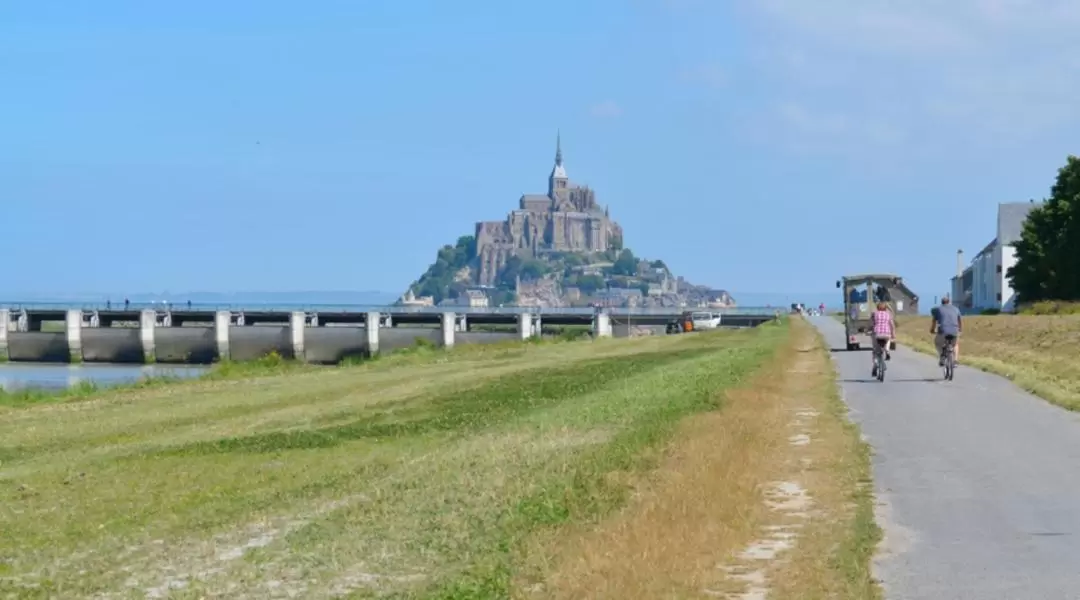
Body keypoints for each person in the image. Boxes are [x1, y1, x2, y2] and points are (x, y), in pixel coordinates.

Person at [930, 295, 962, 366]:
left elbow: (934, 321)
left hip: (943, 331)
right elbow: (959, 320)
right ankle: (955, 360)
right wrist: (960, 330)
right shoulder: (956, 309)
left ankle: (942, 357)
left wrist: (932, 330)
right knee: (955, 344)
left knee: (937, 343)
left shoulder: (938, 309)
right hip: (954, 330)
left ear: (942, 303)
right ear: (949, 302)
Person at [870, 301, 895, 376]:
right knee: (888, 339)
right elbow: (892, 325)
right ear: (885, 308)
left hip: (877, 334)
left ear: (877, 307)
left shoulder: (874, 314)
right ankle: (887, 350)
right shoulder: (888, 314)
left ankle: (875, 365)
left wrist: (868, 330)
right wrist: (893, 334)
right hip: (886, 334)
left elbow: (871, 324)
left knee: (875, 351)